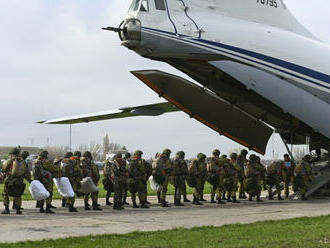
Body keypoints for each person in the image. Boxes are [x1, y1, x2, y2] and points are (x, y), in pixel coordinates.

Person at [2, 148, 31, 215]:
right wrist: (29, 180)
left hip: (9, 180)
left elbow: (4, 169)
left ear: (12, 154)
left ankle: (7, 209)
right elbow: (26, 172)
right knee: (18, 195)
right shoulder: (23, 161)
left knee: (5, 194)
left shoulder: (10, 161)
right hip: (19, 180)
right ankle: (18, 210)